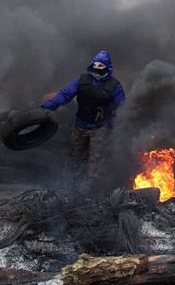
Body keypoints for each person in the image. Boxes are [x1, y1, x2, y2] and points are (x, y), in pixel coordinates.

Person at [42, 50, 125, 187]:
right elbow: (65, 94)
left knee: (96, 163)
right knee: (74, 159)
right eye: (95, 67)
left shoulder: (114, 87)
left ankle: (93, 190)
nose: (97, 71)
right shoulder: (82, 80)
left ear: (107, 68)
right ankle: (71, 188)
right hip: (80, 125)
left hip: (100, 129)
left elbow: (122, 108)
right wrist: (46, 108)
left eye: (101, 68)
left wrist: (115, 127)